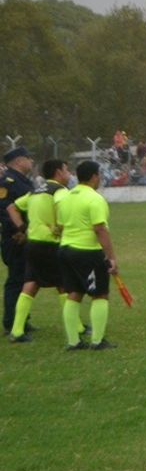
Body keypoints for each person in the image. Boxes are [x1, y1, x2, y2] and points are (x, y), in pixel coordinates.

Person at [56, 160, 119, 350]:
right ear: (94, 176)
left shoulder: (66, 197)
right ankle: (97, 341)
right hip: (86, 252)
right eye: (99, 174)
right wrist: (111, 257)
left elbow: (59, 226)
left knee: (74, 294)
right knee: (100, 294)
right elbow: (100, 229)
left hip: (65, 249)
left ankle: (73, 342)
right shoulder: (94, 198)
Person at [8, 159, 70, 342]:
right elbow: (62, 207)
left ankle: (17, 330)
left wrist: (22, 228)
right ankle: (76, 327)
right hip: (50, 243)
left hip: (32, 243)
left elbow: (12, 207)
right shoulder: (59, 190)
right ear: (58, 172)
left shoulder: (36, 190)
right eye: (66, 170)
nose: (69, 174)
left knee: (31, 283)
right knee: (64, 285)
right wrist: (60, 226)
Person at [0, 146, 35, 336]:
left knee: (25, 278)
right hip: (15, 238)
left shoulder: (22, 180)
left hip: (27, 235)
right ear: (19, 161)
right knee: (16, 279)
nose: (31, 161)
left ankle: (23, 320)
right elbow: (3, 209)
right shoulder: (7, 182)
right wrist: (18, 230)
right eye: (28, 158)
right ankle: (11, 322)